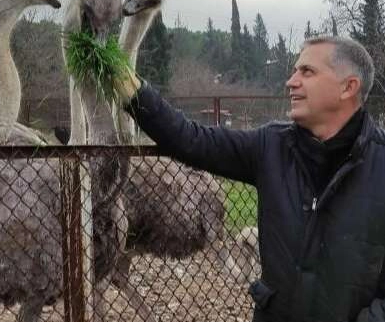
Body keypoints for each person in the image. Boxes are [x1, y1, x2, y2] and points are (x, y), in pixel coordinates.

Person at [114, 36, 385, 322]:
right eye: (295, 71)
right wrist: (132, 91)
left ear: (348, 87)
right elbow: (190, 139)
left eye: (307, 72)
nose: (291, 82)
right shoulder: (270, 147)